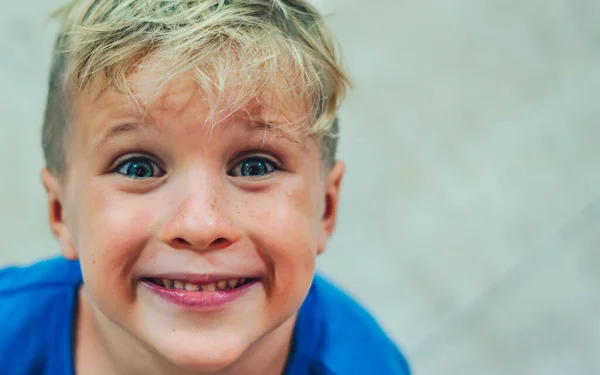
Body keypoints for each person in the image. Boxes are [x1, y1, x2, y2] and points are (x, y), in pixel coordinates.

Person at [0, 1, 410, 374]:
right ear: (60, 213)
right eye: (139, 168)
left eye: (254, 166)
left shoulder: (366, 363)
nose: (201, 224)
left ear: (326, 208)